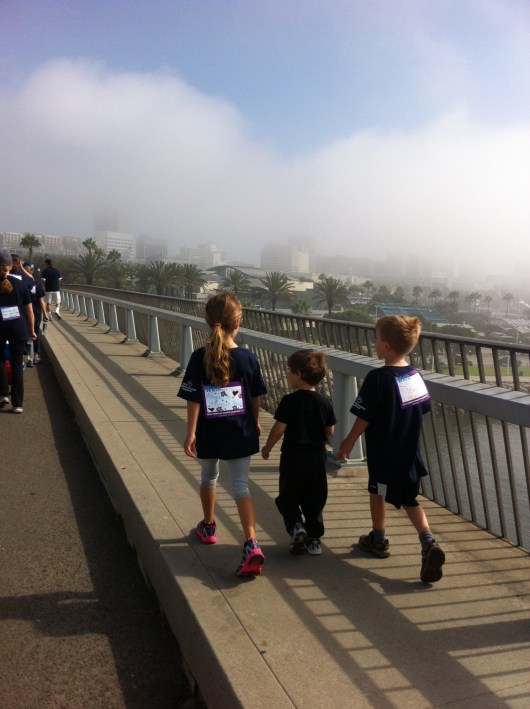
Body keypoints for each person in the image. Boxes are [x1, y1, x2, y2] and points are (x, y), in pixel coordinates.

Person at [337, 315, 445, 583]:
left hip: (385, 456)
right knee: (410, 499)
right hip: (410, 454)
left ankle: (378, 538)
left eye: (375, 339)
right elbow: (422, 409)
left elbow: (365, 417)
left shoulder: (377, 378)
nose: (374, 343)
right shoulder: (413, 376)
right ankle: (428, 541)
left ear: (385, 346)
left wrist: (349, 441)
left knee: (377, 491)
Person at [177, 292, 267, 577]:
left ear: (207, 321)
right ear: (238, 322)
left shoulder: (199, 357)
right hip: (240, 432)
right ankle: (251, 543)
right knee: (241, 487)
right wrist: (255, 422)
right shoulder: (248, 358)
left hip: (210, 432)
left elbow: (194, 399)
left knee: (209, 477)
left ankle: (209, 525)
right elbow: (255, 398)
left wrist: (190, 433)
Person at [261, 349, 336, 556]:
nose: (286, 374)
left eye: (289, 371)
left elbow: (279, 429)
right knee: (315, 499)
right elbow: (330, 431)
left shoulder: (289, 401)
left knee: (288, 497)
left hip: (293, 459)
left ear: (299, 375)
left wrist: (267, 448)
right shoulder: (324, 402)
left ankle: (296, 526)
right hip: (317, 460)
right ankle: (314, 540)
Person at [0, 250, 37, 414]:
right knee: (16, 364)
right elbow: (29, 311)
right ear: (11, 265)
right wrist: (32, 330)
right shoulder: (21, 284)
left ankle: (3, 395)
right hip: (18, 328)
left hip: (1, 327)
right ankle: (18, 404)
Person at [23, 262, 49, 366]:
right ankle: (36, 356)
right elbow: (42, 301)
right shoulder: (37, 284)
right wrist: (45, 314)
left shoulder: (21, 283)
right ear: (32, 271)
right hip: (36, 313)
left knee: (25, 334)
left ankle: (27, 357)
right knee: (35, 333)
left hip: (24, 313)